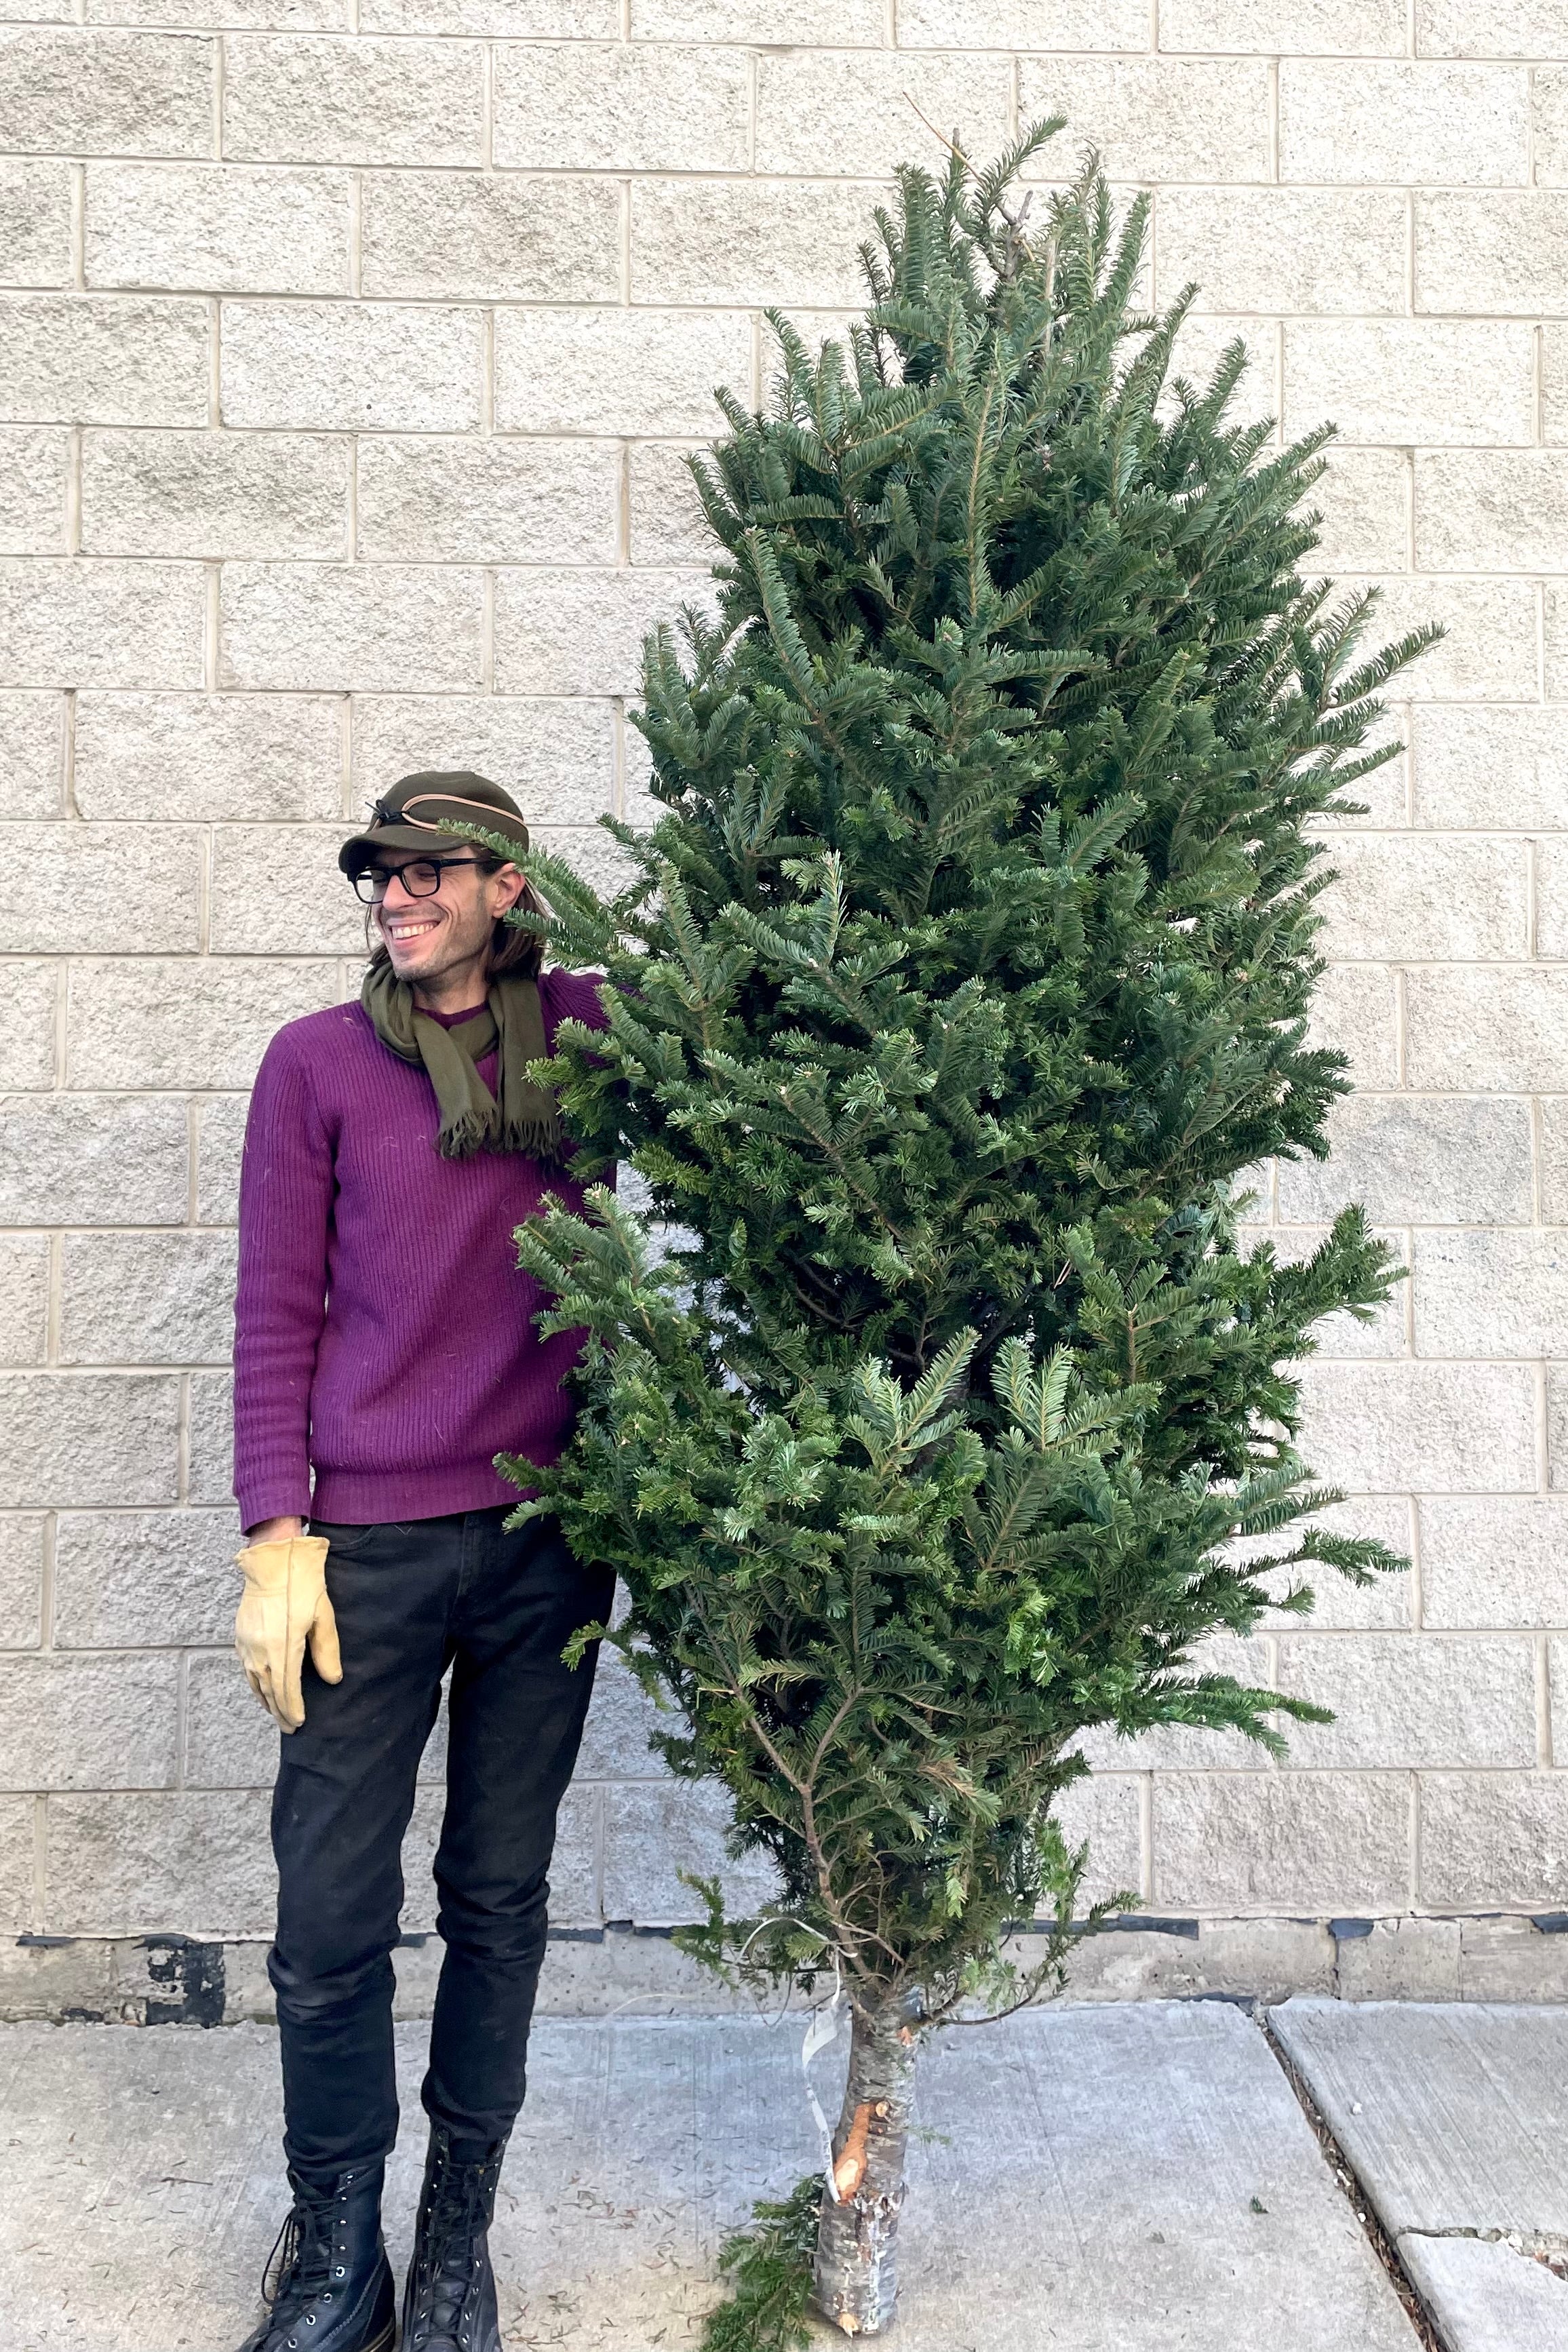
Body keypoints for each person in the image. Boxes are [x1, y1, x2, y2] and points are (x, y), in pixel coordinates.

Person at [229, 772, 614, 2352]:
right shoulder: (316, 1064)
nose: (393, 895)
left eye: (428, 870)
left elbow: (770, 1026)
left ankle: (455, 2242)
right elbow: (278, 1307)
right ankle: (338, 2251)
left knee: (497, 1899)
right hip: (366, 1554)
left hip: (545, 1542)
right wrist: (275, 1538)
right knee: (327, 1917)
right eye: (378, 873)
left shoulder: (592, 1038)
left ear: (504, 887)